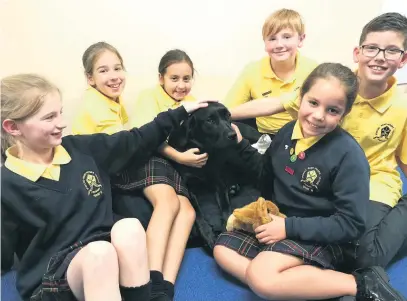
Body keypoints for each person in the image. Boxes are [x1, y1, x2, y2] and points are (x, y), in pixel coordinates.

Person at [1, 73, 211, 301]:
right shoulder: (6, 183)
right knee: (99, 255)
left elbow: (134, 140)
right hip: (55, 277)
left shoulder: (80, 149)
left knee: (129, 228)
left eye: (60, 112)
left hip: (106, 254)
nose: (61, 123)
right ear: (13, 127)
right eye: (49, 117)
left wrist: (179, 113)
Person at [228, 12, 407, 269]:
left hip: (374, 181)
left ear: (403, 59)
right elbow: (277, 103)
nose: (379, 57)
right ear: (358, 52)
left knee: (362, 258)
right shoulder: (332, 88)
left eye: (391, 51)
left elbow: (403, 159)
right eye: (372, 48)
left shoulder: (402, 108)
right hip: (326, 175)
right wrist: (222, 112)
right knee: (321, 230)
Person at [214, 63, 405, 301]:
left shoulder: (349, 156)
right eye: (313, 103)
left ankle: (358, 282)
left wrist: (287, 229)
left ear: (344, 114)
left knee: (262, 276)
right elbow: (265, 175)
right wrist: (242, 147)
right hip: (283, 221)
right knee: (222, 249)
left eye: (332, 110)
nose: (318, 116)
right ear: (300, 98)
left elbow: (351, 225)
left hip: (322, 234)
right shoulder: (286, 133)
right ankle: (300, 284)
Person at [72, 44, 196, 301]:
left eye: (117, 68)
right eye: (104, 70)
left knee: (187, 209)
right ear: (90, 78)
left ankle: (166, 286)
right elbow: (127, 146)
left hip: (129, 160)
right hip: (113, 169)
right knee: (168, 201)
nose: (114, 76)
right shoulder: (96, 104)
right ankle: (150, 279)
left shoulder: (115, 102)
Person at [222, 8, 317, 137]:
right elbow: (226, 110)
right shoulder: (252, 70)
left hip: (302, 135)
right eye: (272, 39)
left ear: (301, 39)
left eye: (287, 37)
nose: (279, 44)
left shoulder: (314, 71)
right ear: (265, 43)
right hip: (264, 136)